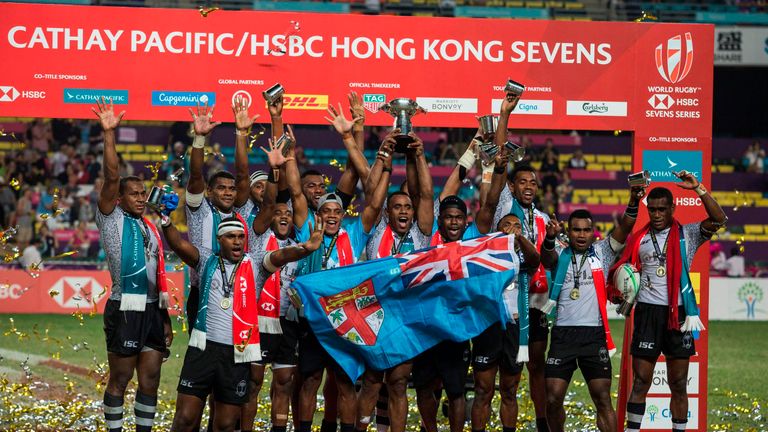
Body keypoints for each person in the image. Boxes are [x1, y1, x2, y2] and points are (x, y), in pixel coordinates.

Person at [161, 213, 324, 432]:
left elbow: (281, 255)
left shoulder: (256, 264)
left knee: (226, 423)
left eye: (240, 236)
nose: (237, 241)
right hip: (203, 350)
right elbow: (179, 244)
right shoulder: (206, 260)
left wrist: (306, 248)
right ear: (220, 239)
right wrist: (167, 222)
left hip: (237, 354)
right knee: (185, 419)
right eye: (231, 236)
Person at [287, 109, 389, 432]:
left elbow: (373, 202)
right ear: (319, 212)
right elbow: (295, 193)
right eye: (326, 210)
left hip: (345, 321)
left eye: (337, 211)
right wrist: (289, 155)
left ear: (342, 214)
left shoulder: (354, 233)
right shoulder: (307, 230)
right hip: (315, 321)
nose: (331, 215)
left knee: (345, 382)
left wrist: (383, 164)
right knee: (310, 381)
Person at [614, 172, 727, 432]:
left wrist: (698, 189)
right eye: (652, 209)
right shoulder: (639, 238)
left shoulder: (689, 234)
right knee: (641, 381)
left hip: (679, 313)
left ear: (672, 209)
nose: (656, 214)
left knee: (678, 383)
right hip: (647, 313)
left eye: (661, 209)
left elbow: (719, 219)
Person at [93, 98, 172, 432]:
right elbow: (112, 176)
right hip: (125, 307)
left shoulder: (151, 227)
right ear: (120, 199)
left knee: (150, 380)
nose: (142, 198)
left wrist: (164, 316)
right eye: (135, 194)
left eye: (144, 193)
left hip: (153, 310)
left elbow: (157, 274)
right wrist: (109, 134)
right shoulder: (111, 219)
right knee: (121, 379)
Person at [540, 183, 645, 432]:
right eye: (576, 230)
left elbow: (626, 226)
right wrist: (550, 237)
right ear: (569, 230)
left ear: (593, 232)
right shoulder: (559, 250)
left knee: (602, 398)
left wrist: (633, 201)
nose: (581, 235)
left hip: (594, 335)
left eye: (587, 230)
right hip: (563, 335)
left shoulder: (602, 252)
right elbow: (546, 259)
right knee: (553, 398)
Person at [356, 131, 433, 432]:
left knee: (399, 382)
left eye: (407, 207)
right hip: (374, 314)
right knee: (373, 380)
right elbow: (372, 195)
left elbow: (425, 194)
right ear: (388, 213)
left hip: (407, 318)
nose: (404, 211)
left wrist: (419, 155)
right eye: (397, 207)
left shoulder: (421, 232)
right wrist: (384, 157)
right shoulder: (376, 229)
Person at [468, 143, 540, 432]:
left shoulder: (524, 254)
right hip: (487, 325)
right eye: (506, 225)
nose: (511, 228)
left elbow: (536, 259)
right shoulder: (487, 251)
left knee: (509, 391)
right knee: (483, 390)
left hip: (515, 325)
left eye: (515, 224)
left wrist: (521, 237)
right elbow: (493, 197)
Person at [491, 103, 551, 432]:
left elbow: (550, 261)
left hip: (536, 305)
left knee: (537, 369)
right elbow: (500, 161)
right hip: (506, 305)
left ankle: (542, 423)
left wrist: (553, 242)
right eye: (522, 181)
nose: (528, 185)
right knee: (507, 380)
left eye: (533, 182)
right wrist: (505, 115)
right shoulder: (505, 203)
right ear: (513, 187)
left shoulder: (542, 220)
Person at [184, 96, 257, 333]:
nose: (228, 193)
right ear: (209, 191)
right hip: (202, 291)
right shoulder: (199, 211)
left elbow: (244, 174)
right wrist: (200, 138)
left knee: (237, 354)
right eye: (221, 188)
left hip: (239, 290)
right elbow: (196, 175)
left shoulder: (241, 212)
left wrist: (241, 133)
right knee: (201, 353)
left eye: (231, 188)